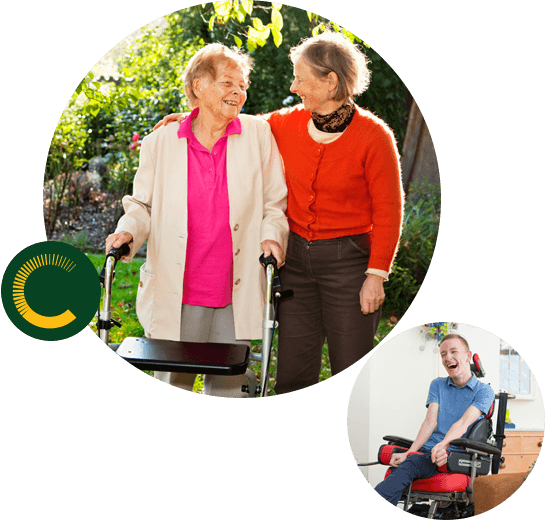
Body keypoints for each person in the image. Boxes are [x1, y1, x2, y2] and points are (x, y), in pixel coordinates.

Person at [155, 32, 404, 394]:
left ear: (330, 80)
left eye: (301, 78)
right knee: (292, 371)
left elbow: (389, 210)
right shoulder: (285, 123)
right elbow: (237, 121)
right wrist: (193, 117)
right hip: (296, 262)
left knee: (350, 363)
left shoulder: (374, 136)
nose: (294, 85)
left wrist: (376, 275)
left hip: (348, 263)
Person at [107, 43, 289, 397]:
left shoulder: (258, 134)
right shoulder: (160, 142)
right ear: (198, 86)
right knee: (174, 381)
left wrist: (272, 238)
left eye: (242, 85)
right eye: (228, 83)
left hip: (234, 291)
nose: (238, 92)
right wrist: (127, 231)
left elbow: (273, 203)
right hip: (179, 290)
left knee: (228, 387)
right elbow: (141, 205)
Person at [374, 334, 496, 505]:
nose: (448, 358)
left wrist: (444, 445)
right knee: (406, 465)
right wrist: (410, 451)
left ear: (468, 356)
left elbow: (462, 423)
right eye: (443, 354)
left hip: (453, 455)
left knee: (410, 465)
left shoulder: (484, 391)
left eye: (454, 351)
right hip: (428, 453)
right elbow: (429, 422)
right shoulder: (437, 385)